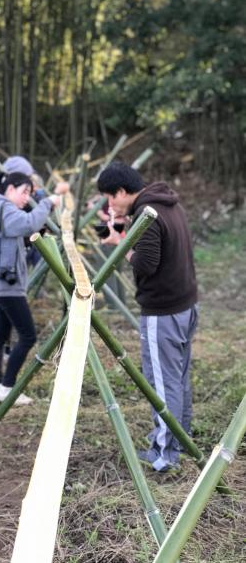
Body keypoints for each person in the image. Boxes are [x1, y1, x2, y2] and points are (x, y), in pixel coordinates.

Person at [97, 162, 198, 472]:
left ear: (122, 192)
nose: (109, 205)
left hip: (163, 311)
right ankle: (180, 439)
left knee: (162, 383)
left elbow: (145, 264)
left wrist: (120, 244)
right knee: (178, 378)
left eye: (110, 198)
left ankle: (165, 454)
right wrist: (128, 228)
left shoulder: (147, 215)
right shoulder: (166, 202)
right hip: (186, 304)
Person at [0, 172, 63, 406]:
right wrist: (48, 202)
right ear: (10, 190)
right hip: (8, 285)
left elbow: (18, 236)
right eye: (24, 191)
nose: (27, 197)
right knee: (28, 335)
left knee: (0, 335)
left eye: (30, 193)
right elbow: (28, 223)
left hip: (1, 283)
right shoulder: (5, 208)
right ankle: (8, 386)